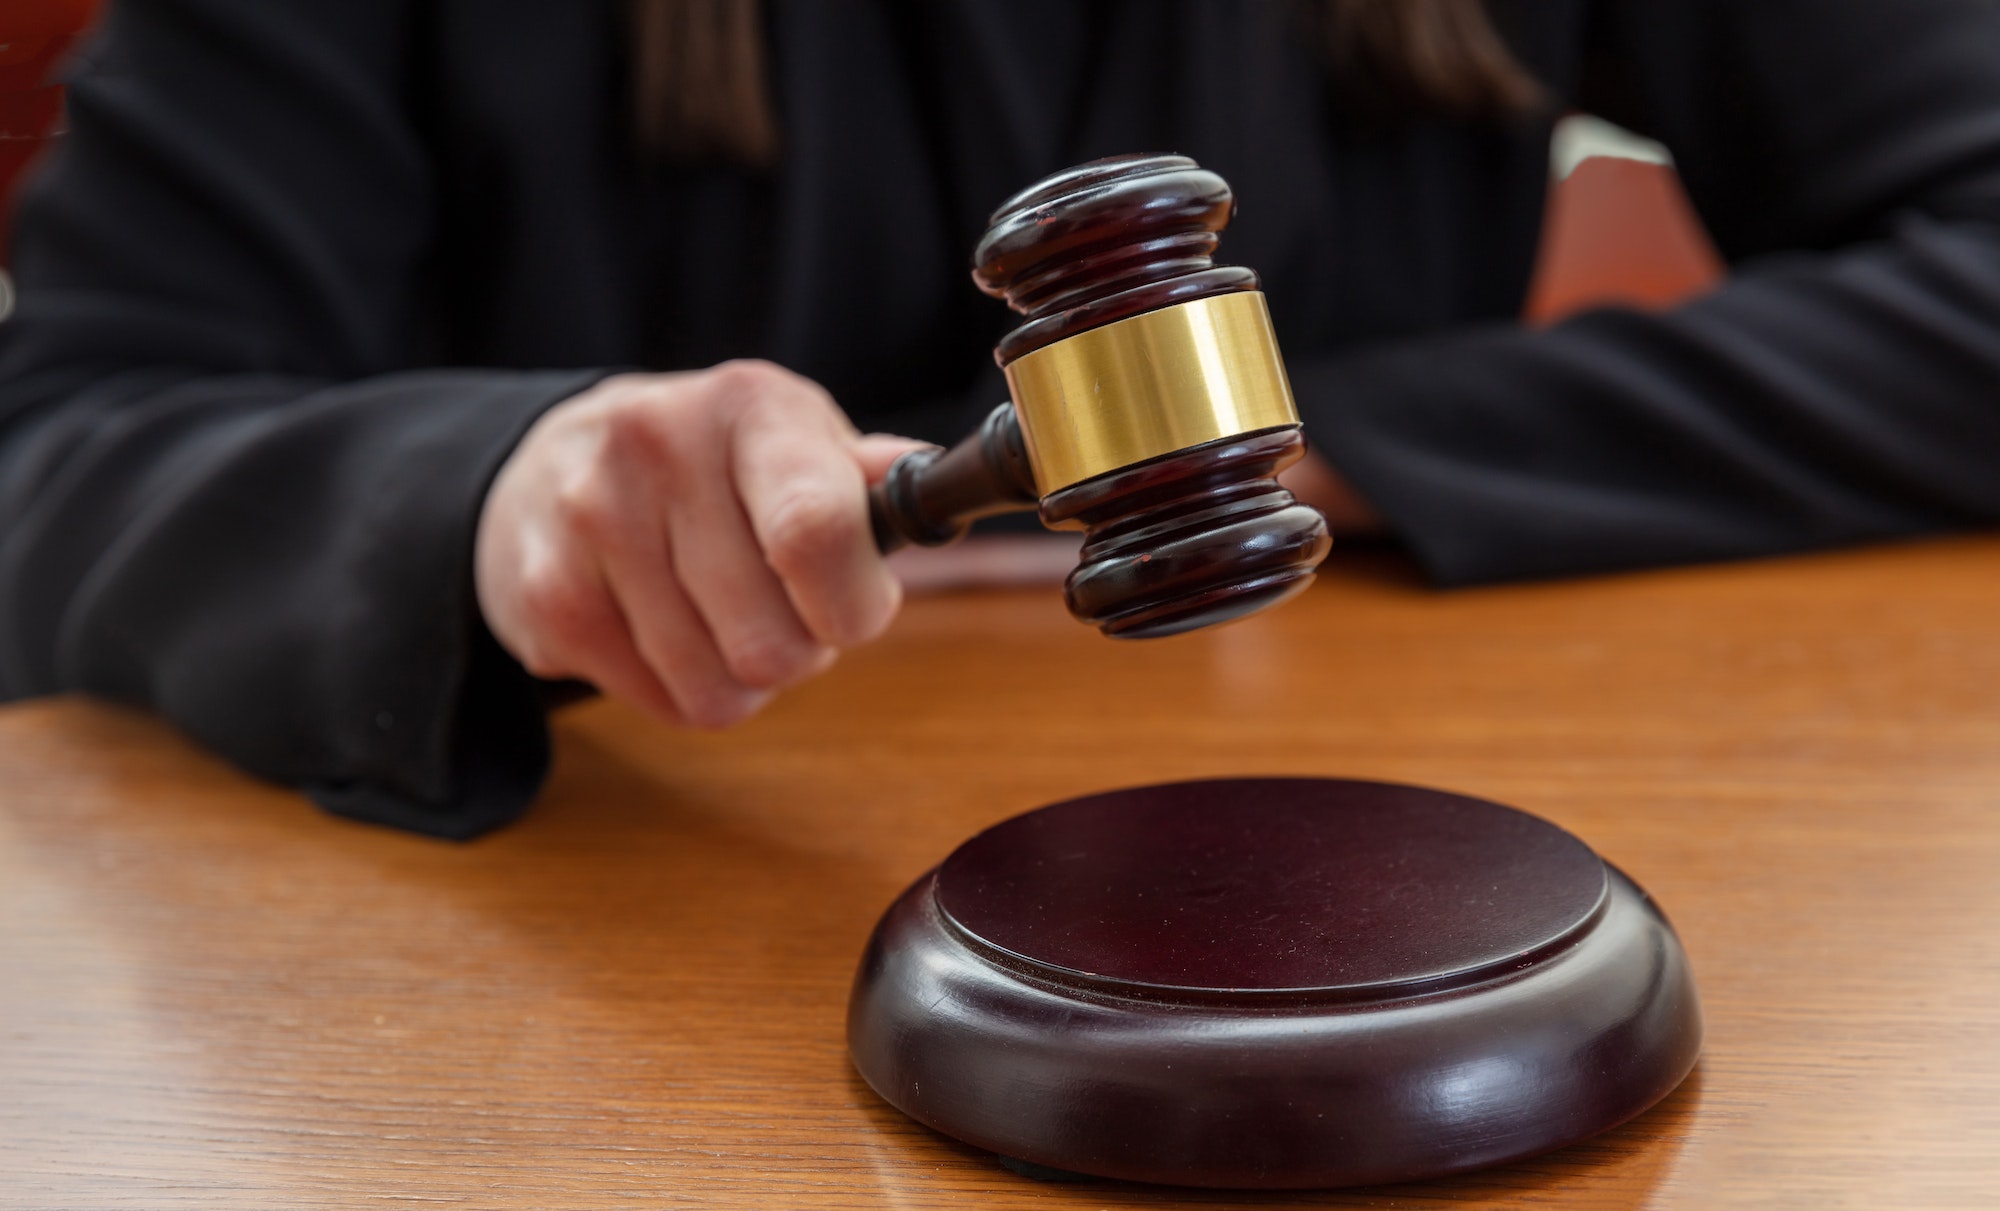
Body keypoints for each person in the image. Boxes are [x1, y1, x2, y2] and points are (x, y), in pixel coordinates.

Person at [4, 0, 1999, 838]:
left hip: (1344, 829)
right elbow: (49, 448)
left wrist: (1285, 448)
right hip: (619, 931)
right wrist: (484, 496)